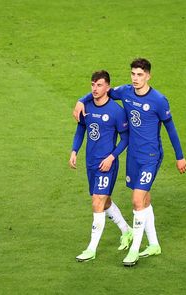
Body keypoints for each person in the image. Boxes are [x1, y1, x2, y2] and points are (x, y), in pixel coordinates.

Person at [73, 59, 186, 266]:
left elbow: (171, 129)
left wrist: (179, 156)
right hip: (133, 157)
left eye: (140, 75)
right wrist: (82, 100)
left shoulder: (159, 100)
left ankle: (134, 249)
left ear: (148, 76)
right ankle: (153, 244)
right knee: (144, 201)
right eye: (133, 74)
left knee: (136, 200)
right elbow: (101, 91)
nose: (135, 79)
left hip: (150, 158)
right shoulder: (125, 92)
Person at [69, 70, 133, 262]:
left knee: (97, 202)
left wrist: (112, 157)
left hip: (107, 165)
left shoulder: (116, 111)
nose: (95, 89)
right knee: (104, 202)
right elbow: (81, 130)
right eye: (92, 85)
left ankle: (91, 249)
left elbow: (125, 138)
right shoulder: (86, 106)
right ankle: (126, 230)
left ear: (107, 87)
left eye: (99, 85)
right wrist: (74, 151)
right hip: (91, 163)